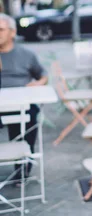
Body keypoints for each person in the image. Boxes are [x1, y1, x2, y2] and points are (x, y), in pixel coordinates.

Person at [0, 13, 48, 179]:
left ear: (12, 32)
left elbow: (43, 75)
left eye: (1, 30)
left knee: (29, 117)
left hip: (20, 103)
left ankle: (23, 166)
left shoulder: (26, 55)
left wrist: (38, 83)